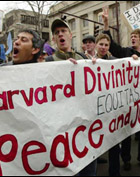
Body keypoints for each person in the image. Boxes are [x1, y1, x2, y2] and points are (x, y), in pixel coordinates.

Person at [46, 19, 97, 176]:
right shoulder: (48, 62)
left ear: (70, 35)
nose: (60, 34)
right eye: (56, 32)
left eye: (63, 31)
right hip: (63, 131)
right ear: (54, 39)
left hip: (86, 128)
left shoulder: (83, 58)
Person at [102, 7, 140, 171]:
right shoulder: (126, 52)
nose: (132, 39)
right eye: (131, 36)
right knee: (128, 132)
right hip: (129, 100)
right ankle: (127, 159)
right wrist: (107, 25)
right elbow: (113, 47)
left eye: (135, 37)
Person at [94, 33, 121, 176]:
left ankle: (114, 172)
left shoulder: (115, 61)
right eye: (101, 44)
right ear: (96, 45)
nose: (103, 47)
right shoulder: (87, 62)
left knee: (114, 144)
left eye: (106, 45)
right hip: (95, 111)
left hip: (112, 108)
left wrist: (134, 60)